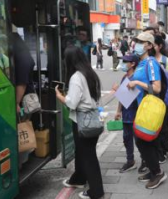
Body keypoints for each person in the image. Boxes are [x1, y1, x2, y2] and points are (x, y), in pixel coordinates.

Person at [56, 46, 104, 199]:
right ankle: (79, 179)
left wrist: (59, 96)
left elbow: (72, 103)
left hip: (83, 121)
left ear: (70, 60)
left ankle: (96, 192)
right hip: (92, 118)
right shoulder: (89, 73)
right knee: (84, 153)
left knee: (88, 157)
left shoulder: (76, 77)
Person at [127, 32, 167, 189]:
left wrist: (136, 81)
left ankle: (157, 173)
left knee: (143, 141)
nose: (136, 43)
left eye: (141, 41)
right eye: (136, 40)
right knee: (145, 141)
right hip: (142, 107)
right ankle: (153, 170)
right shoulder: (141, 62)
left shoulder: (151, 62)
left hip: (149, 108)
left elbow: (156, 88)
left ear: (149, 46)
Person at [153, 35, 168, 163]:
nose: (150, 47)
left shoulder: (165, 60)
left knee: (163, 124)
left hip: (163, 97)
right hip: (149, 99)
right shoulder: (146, 60)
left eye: (153, 44)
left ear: (160, 46)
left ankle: (162, 150)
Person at [115, 54, 139, 173]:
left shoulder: (137, 78)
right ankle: (130, 161)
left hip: (136, 114)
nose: (124, 63)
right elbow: (121, 96)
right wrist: (118, 111)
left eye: (126, 61)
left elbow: (132, 97)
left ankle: (145, 161)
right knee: (126, 138)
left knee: (139, 140)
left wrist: (118, 91)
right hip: (126, 114)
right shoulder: (125, 77)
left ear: (133, 64)